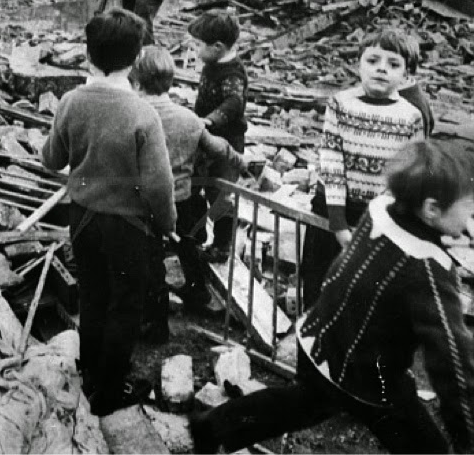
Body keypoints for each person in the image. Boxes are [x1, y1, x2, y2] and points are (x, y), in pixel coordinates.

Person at [190, 138, 474, 454]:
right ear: (432, 209)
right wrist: (467, 434)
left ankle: (212, 426)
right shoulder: (429, 269)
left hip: (318, 342)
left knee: (300, 404)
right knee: (424, 447)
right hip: (365, 376)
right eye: (467, 206)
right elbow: (452, 360)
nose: (471, 214)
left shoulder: (381, 210)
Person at [41, 8, 176, 417]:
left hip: (82, 218)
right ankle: (110, 391)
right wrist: (168, 223)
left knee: (93, 297)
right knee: (125, 306)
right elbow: (159, 184)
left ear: (88, 54)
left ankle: (90, 376)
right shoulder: (143, 114)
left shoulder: (70, 102)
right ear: (135, 60)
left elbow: (52, 159)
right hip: (128, 226)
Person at [129, 46, 250, 340]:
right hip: (182, 198)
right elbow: (219, 147)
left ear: (136, 82)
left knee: (150, 258)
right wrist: (241, 163)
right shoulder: (189, 119)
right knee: (187, 245)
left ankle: (153, 322)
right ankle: (198, 293)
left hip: (144, 202)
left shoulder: (132, 117)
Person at [301, 28, 425, 310]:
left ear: (406, 74)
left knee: (363, 295)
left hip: (378, 217)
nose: (382, 69)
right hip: (332, 210)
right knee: (320, 287)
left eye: (393, 64)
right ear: (358, 64)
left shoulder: (411, 117)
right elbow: (331, 162)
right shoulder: (340, 104)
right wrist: (338, 225)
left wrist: (383, 220)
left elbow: (408, 174)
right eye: (373, 60)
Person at [186, 10, 248, 264]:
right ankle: (195, 235)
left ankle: (222, 246)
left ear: (218, 47)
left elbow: (234, 102)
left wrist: (210, 119)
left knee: (221, 194)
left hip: (226, 144)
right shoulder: (212, 64)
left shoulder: (232, 74)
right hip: (204, 138)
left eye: (198, 45)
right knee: (193, 184)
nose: (194, 50)